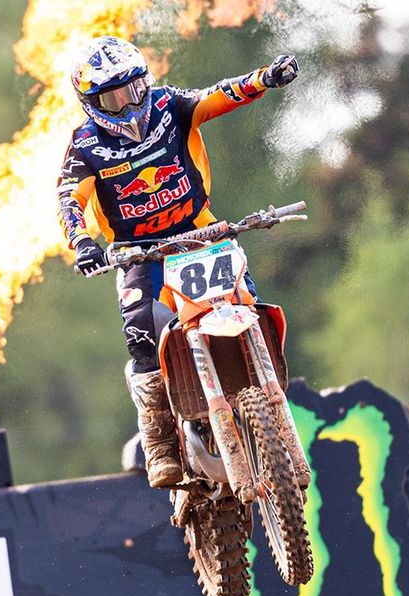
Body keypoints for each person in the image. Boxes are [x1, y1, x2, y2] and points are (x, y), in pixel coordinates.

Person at [57, 36, 299, 488]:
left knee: (248, 301)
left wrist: (264, 79)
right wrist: (82, 242)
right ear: (92, 104)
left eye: (133, 89)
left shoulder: (170, 105)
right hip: (140, 252)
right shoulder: (85, 146)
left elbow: (217, 96)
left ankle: (266, 395)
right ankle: (160, 442)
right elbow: (70, 199)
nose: (128, 104)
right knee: (141, 335)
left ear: (145, 81)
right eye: (113, 98)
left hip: (201, 233)